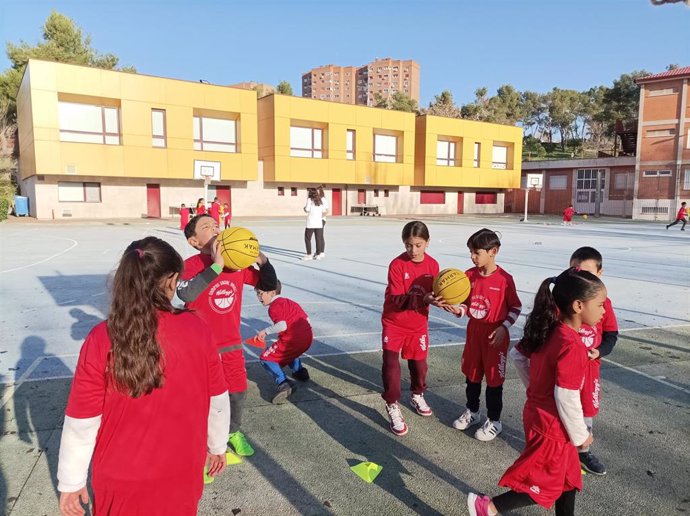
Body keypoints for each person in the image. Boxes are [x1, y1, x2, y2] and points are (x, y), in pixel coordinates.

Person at [57, 237, 230, 516]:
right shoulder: (197, 328)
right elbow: (217, 398)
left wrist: (71, 480)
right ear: (171, 280)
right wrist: (217, 444)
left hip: (119, 478)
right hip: (181, 472)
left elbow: (82, 419)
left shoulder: (102, 337)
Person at [468, 268, 607, 516]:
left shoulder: (551, 330)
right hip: (553, 426)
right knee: (543, 483)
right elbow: (566, 395)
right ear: (577, 305)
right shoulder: (572, 345)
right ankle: (488, 508)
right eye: (600, 304)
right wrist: (581, 435)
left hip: (540, 415)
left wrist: (537, 388)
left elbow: (518, 355)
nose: (604, 311)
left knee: (567, 477)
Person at [177, 214, 275, 458]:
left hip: (230, 344)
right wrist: (216, 266)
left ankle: (232, 432)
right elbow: (186, 294)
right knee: (202, 397)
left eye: (216, 225)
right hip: (199, 346)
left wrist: (261, 259)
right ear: (194, 241)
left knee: (237, 391)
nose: (214, 229)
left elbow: (271, 284)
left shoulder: (236, 266)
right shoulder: (190, 265)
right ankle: (203, 445)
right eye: (206, 227)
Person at [451, 228, 522, 441]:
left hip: (496, 335)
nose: (473, 257)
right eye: (471, 252)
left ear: (493, 251)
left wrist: (504, 327)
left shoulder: (505, 279)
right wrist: (459, 310)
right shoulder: (468, 276)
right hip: (475, 332)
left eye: (477, 253)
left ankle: (494, 420)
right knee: (471, 375)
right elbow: (465, 304)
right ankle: (472, 412)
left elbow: (516, 308)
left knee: (494, 380)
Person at [381, 221, 449, 436]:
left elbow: (437, 293)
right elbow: (399, 299)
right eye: (408, 245)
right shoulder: (397, 265)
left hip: (418, 325)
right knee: (391, 365)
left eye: (418, 245)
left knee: (419, 366)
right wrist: (425, 298)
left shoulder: (433, 265)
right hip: (394, 322)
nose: (413, 250)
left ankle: (417, 394)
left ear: (427, 243)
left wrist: (445, 301)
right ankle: (392, 403)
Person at [254, 278, 313, 404]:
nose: (259, 297)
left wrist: (265, 332)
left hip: (293, 340)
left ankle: (284, 383)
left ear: (272, 292)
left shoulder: (274, 307)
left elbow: (282, 325)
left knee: (265, 358)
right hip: (307, 338)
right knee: (288, 351)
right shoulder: (290, 302)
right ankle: (299, 371)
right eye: (257, 293)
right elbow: (306, 319)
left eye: (261, 293)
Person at [302, 188, 328, 260]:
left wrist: (304, 208)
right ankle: (318, 254)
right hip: (319, 222)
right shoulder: (320, 200)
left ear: (310, 193)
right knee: (318, 239)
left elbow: (307, 209)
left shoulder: (310, 200)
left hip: (311, 223)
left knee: (307, 238)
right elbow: (324, 210)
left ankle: (309, 254)